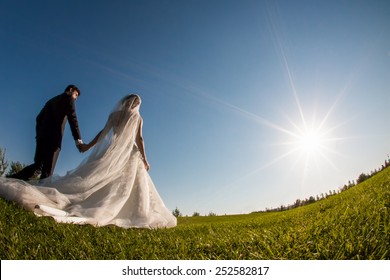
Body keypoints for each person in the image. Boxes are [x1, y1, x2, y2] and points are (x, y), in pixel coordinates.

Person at [0, 94, 176, 229]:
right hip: (130, 153)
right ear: (136, 104)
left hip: (114, 151)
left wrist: (88, 146)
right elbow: (140, 139)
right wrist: (145, 159)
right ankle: (136, 213)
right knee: (130, 184)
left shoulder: (115, 115)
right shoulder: (137, 118)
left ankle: (119, 208)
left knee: (110, 181)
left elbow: (103, 133)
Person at [9, 85, 86, 181]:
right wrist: (78, 140)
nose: (76, 98)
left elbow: (38, 118)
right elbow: (73, 118)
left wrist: (39, 135)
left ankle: (10, 180)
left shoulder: (51, 101)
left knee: (37, 167)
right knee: (47, 173)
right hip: (54, 140)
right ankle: (39, 194)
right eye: (76, 95)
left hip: (41, 138)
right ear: (70, 90)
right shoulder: (69, 97)